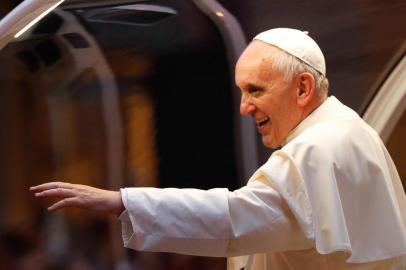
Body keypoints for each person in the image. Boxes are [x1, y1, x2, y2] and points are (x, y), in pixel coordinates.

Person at [30, 28, 406, 269]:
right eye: (242, 92)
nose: (244, 107)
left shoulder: (321, 148)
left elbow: (236, 217)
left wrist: (124, 201)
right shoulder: (350, 131)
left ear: (303, 88)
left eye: (256, 90)